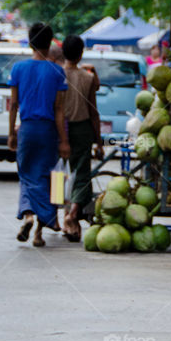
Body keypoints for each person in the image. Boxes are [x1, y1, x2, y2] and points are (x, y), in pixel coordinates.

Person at [7, 22, 70, 247]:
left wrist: (11, 133)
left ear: (30, 42)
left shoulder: (18, 69)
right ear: (50, 42)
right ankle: (39, 233)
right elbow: (59, 110)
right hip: (48, 130)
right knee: (47, 177)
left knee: (27, 175)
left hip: (26, 128)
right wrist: (63, 140)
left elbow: (13, 104)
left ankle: (28, 215)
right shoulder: (56, 71)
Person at [61, 34, 102, 242]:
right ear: (81, 53)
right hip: (83, 129)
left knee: (60, 175)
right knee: (82, 175)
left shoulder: (57, 75)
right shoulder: (87, 77)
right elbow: (94, 111)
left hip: (60, 130)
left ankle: (61, 216)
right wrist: (99, 141)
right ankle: (73, 214)